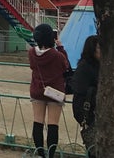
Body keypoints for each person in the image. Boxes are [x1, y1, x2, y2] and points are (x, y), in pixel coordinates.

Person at [28, 23, 70, 158]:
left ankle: (40, 153)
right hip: (55, 92)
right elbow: (66, 66)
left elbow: (32, 67)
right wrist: (61, 47)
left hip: (37, 90)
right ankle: (51, 154)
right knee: (53, 124)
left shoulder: (31, 53)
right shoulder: (57, 55)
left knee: (38, 122)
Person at [72, 35, 100, 158]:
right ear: (92, 49)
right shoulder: (84, 67)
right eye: (99, 48)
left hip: (94, 109)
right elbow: (79, 89)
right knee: (93, 142)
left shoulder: (98, 65)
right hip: (86, 109)